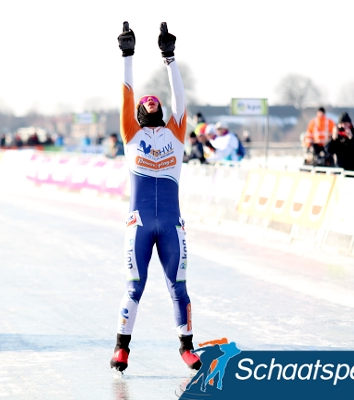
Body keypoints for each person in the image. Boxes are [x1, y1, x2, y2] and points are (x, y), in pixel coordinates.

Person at [111, 21, 201, 373]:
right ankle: (121, 348)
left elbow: (180, 100)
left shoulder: (175, 133)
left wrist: (169, 58)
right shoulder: (130, 134)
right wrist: (128, 56)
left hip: (168, 226)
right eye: (146, 114)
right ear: (137, 119)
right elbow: (126, 93)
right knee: (135, 286)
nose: (150, 117)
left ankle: (186, 347)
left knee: (178, 287)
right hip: (142, 225)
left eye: (154, 113)